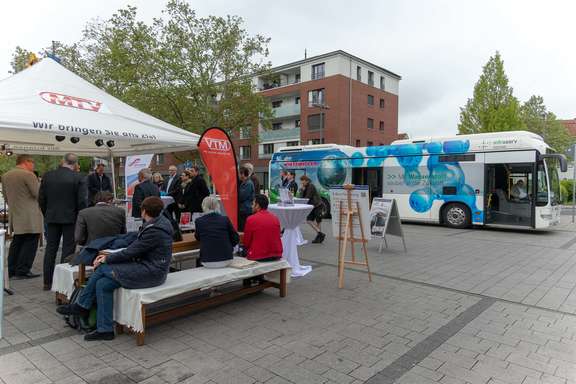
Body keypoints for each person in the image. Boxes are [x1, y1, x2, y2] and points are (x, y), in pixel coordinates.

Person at [57, 196, 173, 341]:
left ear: (144, 211)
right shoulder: (159, 223)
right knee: (102, 284)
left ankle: (82, 306)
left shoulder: (154, 230)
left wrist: (106, 258)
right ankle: (105, 329)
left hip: (152, 272)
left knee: (102, 268)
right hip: (150, 268)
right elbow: (135, 245)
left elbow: (132, 251)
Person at [39, 153, 88, 290]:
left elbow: (41, 198)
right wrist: (81, 218)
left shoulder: (48, 176)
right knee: (68, 250)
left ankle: (47, 282)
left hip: (52, 216)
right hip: (71, 218)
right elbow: (82, 201)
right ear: (76, 164)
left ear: (63, 161)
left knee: (51, 249)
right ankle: (61, 283)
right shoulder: (79, 177)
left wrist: (47, 213)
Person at [1, 155, 42, 279]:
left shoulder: (6, 175)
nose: (33, 165)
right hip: (30, 215)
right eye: (32, 162)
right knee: (30, 242)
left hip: (16, 213)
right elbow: (38, 194)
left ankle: (12, 269)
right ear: (26, 162)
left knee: (17, 242)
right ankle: (23, 270)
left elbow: (5, 196)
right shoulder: (29, 175)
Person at [194, 196, 239, 268]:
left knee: (198, 260)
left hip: (207, 261)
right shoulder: (225, 219)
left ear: (203, 206)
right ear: (217, 206)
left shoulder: (199, 221)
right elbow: (236, 238)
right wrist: (227, 245)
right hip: (226, 259)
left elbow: (198, 237)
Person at [242, 194, 282, 261]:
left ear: (257, 206)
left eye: (253, 204)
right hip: (276, 254)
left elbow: (246, 242)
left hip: (258, 255)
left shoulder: (251, 219)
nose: (251, 206)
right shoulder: (275, 218)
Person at [299, 175, 325, 243]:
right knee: (309, 220)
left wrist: (303, 190)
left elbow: (307, 197)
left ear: (306, 180)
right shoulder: (305, 187)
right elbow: (302, 198)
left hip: (317, 205)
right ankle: (320, 233)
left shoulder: (311, 186)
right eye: (301, 181)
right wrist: (302, 190)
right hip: (312, 206)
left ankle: (319, 237)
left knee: (318, 221)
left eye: (303, 181)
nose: (302, 183)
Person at [238, 166, 255, 231]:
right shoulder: (244, 183)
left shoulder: (248, 184)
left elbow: (242, 197)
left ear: (242, 174)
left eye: (239, 174)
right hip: (244, 209)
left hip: (246, 209)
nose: (238, 176)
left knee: (244, 228)